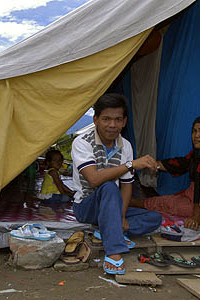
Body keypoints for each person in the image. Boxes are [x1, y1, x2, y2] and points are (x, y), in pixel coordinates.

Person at [71, 93, 162, 275]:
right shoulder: (82, 143)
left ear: (124, 121)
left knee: (154, 218)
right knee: (109, 186)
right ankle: (114, 251)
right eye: (106, 119)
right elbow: (94, 179)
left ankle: (107, 231)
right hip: (87, 207)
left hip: (112, 208)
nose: (112, 125)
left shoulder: (125, 145)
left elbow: (127, 185)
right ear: (96, 119)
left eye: (117, 120)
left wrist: (121, 217)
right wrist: (130, 164)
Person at [130, 115, 200, 230]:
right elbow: (180, 164)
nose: (196, 136)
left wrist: (196, 217)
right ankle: (128, 202)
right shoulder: (196, 155)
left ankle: (130, 202)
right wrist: (154, 164)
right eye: (194, 131)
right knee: (165, 201)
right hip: (190, 197)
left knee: (168, 204)